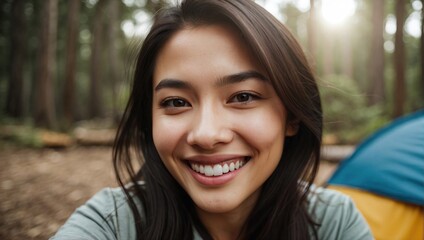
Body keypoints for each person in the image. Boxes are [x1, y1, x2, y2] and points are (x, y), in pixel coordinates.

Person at [51, 0, 372, 239]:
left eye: (243, 97)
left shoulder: (333, 224)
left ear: (292, 117)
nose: (206, 134)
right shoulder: (112, 224)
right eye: (176, 102)